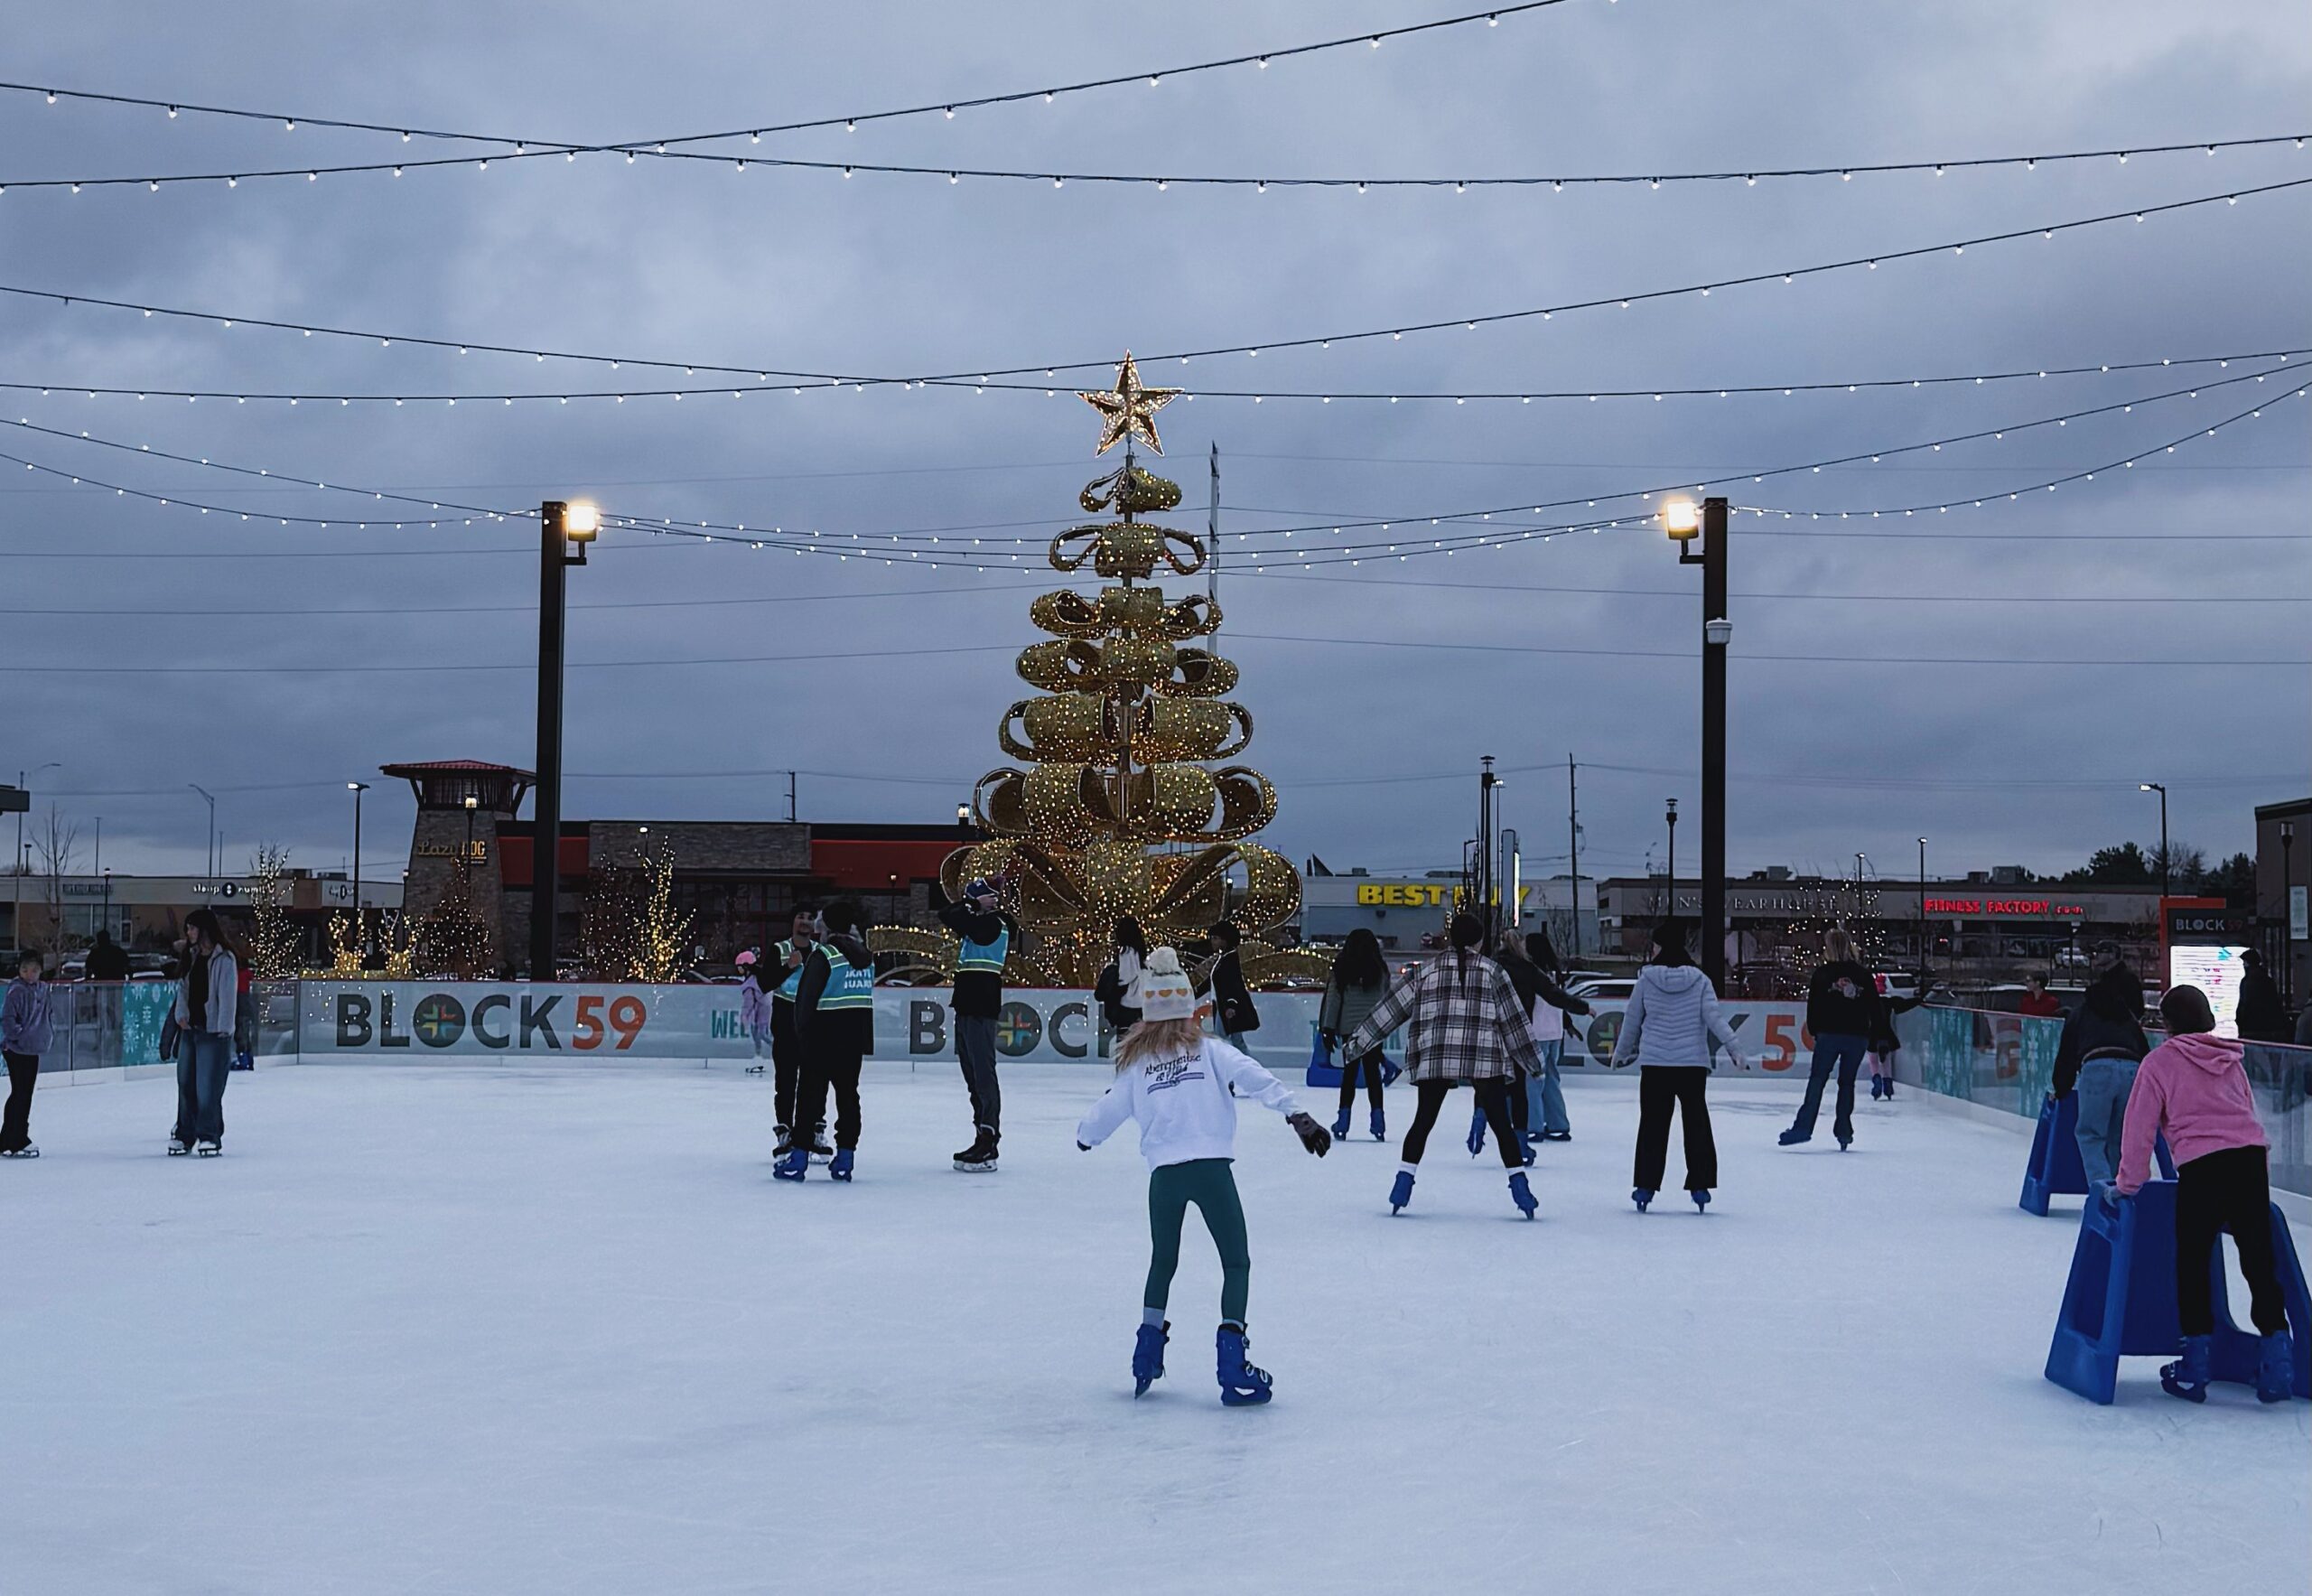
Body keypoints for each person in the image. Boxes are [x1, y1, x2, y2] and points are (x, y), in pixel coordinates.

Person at [1075, 947, 1330, 1405]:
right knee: (1236, 1263)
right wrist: (1298, 1115)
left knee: (1163, 1263)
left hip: (1165, 1178)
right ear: (1189, 1009)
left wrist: (1085, 1137)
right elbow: (1257, 1077)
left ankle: (1145, 1353)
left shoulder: (1137, 1065)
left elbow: (1106, 1111)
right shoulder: (1211, 1050)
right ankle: (1233, 1360)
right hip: (1213, 1171)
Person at [2115, 985, 2295, 1405]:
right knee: (2258, 1260)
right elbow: (2246, 1114)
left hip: (2202, 1164)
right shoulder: (2230, 1060)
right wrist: (2255, 1188)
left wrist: (2128, 1184)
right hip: (2248, 1162)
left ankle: (2195, 1365)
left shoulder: (2159, 1062)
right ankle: (2278, 1358)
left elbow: (2138, 1128)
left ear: (2168, 1023)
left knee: (2193, 1261)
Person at [1342, 911, 1544, 1218]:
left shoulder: (1426, 971)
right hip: (1484, 1057)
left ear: (1450, 938)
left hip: (1436, 1054)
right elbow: (1515, 1022)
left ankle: (1403, 1183)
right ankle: (1521, 1189)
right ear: (1479, 941)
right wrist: (1534, 1063)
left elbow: (1391, 1009)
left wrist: (1357, 1044)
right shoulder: (1493, 972)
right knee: (1502, 1125)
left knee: (1423, 1121)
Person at [1614, 919, 1744, 1212]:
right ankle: (1700, 1186)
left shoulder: (1646, 979)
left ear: (1661, 946)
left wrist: (1620, 1054)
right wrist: (1734, 1048)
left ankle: (1645, 1186)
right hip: (1691, 1066)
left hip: (1656, 1065)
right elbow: (1715, 1020)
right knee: (1696, 1124)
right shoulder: (1700, 980)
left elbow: (1632, 1021)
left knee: (1652, 1126)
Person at [777, 901, 875, 1182]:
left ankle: (798, 1160)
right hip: (853, 1040)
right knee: (848, 1097)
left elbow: (805, 1003)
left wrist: (801, 1035)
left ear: (828, 926)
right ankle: (845, 1159)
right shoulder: (866, 958)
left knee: (809, 1098)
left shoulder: (825, 956)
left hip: (821, 1038)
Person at [1470, 928, 1590, 1158]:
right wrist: (1570, 1020)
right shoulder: (1548, 973)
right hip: (1552, 1034)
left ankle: (1530, 1126)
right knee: (1548, 1079)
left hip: (1530, 1033)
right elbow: (1554, 998)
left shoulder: (1504, 970)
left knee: (1526, 1084)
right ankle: (1555, 1124)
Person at [2052, 951, 2151, 1188]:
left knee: (2091, 1134)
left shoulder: (2081, 1013)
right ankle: (2121, 1192)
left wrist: (2061, 1088)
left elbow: (2066, 1053)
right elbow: (2144, 1049)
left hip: (2097, 1067)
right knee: (2119, 1137)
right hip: (2131, 1069)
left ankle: (2101, 1192)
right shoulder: (2126, 1017)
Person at [937, 874, 1016, 1172]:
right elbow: (948, 914)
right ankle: (981, 1133)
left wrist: (971, 904)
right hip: (969, 1005)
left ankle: (988, 1138)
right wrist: (971, 903)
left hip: (980, 1006)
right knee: (973, 1074)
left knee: (983, 1074)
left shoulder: (994, 924)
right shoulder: (980, 924)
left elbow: (952, 916)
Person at [1780, 929, 1880, 1150]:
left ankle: (1803, 1128)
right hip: (1857, 1036)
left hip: (1829, 1035)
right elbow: (1874, 1006)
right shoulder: (1862, 974)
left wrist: (1816, 1031)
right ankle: (1844, 1130)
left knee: (1817, 1080)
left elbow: (1813, 1007)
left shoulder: (1822, 974)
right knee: (1847, 1083)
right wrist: (1872, 1035)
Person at [171, 909, 238, 1157]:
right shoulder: (192, 956)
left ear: (204, 930)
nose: (188, 933)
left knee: (207, 1087)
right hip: (191, 1030)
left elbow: (228, 997)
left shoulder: (225, 959)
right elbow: (184, 989)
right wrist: (181, 1015)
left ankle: (209, 1135)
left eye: (192, 928)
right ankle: (184, 1134)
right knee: (186, 1083)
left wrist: (223, 1028)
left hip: (214, 1032)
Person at [1318, 928, 1394, 1143]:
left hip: (1349, 1029)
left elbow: (1334, 1000)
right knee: (1373, 1075)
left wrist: (1328, 1028)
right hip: (1374, 1027)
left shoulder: (1342, 968)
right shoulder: (1380, 969)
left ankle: (1343, 1121)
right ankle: (1378, 1121)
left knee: (1349, 1076)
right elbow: (1386, 997)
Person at [767, 906, 820, 1157]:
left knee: (815, 1082)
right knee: (786, 1081)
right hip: (786, 1024)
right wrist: (788, 967)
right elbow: (765, 982)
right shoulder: (780, 950)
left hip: (814, 1025)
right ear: (793, 922)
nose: (806, 922)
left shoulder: (821, 952)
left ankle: (814, 1132)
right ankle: (785, 1132)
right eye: (801, 917)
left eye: (810, 918)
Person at [0, 951, 52, 1159]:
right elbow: (8, 1018)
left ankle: (7, 1138)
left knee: (22, 1093)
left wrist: (45, 1035)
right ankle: (17, 1139)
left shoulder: (42, 989)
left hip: (32, 1048)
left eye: (34, 970)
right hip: (16, 1049)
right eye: (25, 970)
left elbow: (48, 1014)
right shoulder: (17, 991)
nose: (29, 974)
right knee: (21, 1094)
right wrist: (19, 1036)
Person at [1868, 976, 1929, 1101]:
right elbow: (1903, 1006)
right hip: (1887, 1033)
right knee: (1886, 1062)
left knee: (1873, 1061)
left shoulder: (1868, 1002)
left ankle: (1877, 1082)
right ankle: (1888, 1087)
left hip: (1872, 1034)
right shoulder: (1889, 1001)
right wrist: (1918, 1000)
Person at [1206, 921, 1261, 1052]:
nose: (1212, 942)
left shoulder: (1229, 960)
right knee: (1234, 1039)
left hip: (1226, 1005)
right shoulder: (1224, 958)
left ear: (1225, 940)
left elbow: (1232, 983)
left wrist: (1231, 1005)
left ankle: (1244, 1066)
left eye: (1215, 938)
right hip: (1222, 1004)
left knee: (1225, 1039)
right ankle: (1246, 1066)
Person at [1095, 915, 1149, 1040]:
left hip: (1128, 1004)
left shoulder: (1126, 951)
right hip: (1141, 1003)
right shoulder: (1140, 950)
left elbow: (1126, 977)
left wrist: (1114, 984)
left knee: (1125, 1040)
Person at [2234, 949, 2290, 1044]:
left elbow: (2245, 1004)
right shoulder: (2268, 980)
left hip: (2251, 1028)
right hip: (2270, 1029)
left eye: (2244, 962)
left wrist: (2240, 1022)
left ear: (2248, 963)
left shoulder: (2248, 982)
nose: (2243, 965)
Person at [735, 951, 772, 1076]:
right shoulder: (757, 979)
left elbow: (748, 1004)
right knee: (758, 1035)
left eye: (739, 967)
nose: (738, 970)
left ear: (746, 967)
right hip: (764, 1012)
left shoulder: (750, 984)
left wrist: (744, 1017)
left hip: (762, 1014)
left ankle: (786, 1055)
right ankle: (758, 1057)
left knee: (762, 1035)